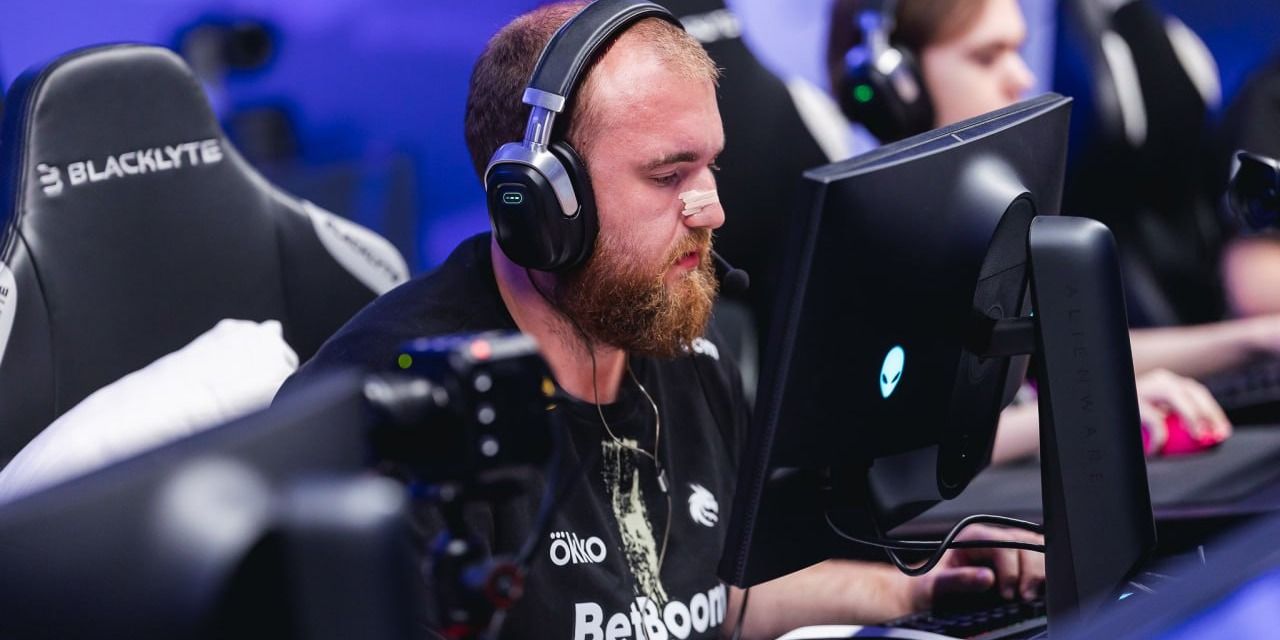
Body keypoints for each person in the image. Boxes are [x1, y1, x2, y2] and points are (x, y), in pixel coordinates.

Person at [278, 2, 1044, 638]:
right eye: (669, 175)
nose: (712, 209)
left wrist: (911, 590)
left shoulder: (686, 352)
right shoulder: (392, 417)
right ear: (540, 203)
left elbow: (711, 603)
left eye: (711, 167)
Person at [822, 0, 1280, 459]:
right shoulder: (867, 245)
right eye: (987, 57)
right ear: (898, 88)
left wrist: (1255, 340)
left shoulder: (992, 226)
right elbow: (895, 449)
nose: (1020, 77)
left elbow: (1072, 355)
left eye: (1017, 51)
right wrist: (1092, 410)